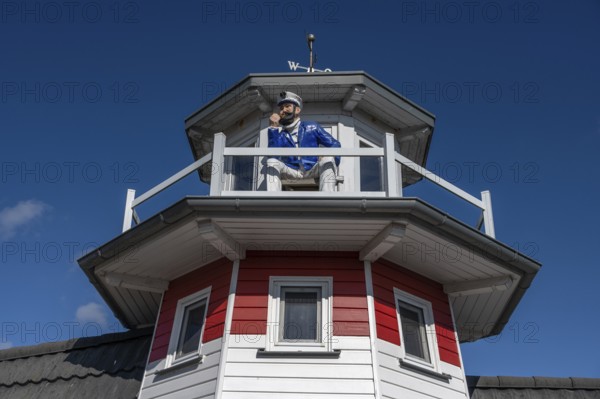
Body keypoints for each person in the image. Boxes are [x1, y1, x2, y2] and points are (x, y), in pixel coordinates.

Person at [266, 91, 341, 191]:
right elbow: (273, 155)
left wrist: (325, 155)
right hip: (291, 170)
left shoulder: (312, 127)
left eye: (287, 106)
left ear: (297, 110)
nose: (283, 111)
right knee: (272, 162)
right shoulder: (280, 135)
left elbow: (335, 145)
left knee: (328, 159)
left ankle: (327, 199)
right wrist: (273, 128)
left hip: (311, 169)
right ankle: (272, 200)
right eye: (281, 108)